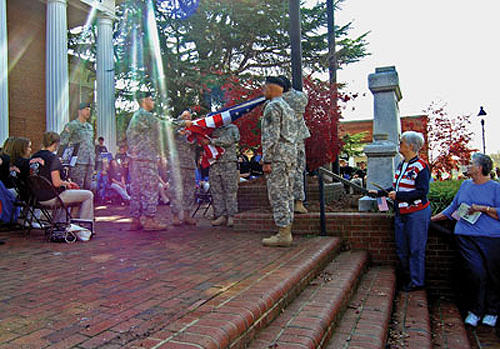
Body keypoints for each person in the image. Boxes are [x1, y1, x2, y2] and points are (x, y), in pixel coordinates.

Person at [431, 153, 500, 328]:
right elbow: (453, 208)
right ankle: (475, 311)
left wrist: (483, 208)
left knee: (492, 274)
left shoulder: (495, 188)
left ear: (480, 168)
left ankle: (492, 311)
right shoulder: (465, 185)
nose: (467, 166)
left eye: (471, 163)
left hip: (490, 238)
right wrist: (431, 219)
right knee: (476, 273)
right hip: (465, 237)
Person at [369, 131, 431, 291]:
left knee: (416, 248)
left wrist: (400, 196)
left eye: (402, 142)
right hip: (401, 213)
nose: (399, 144)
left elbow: (422, 191)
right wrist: (381, 193)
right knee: (402, 248)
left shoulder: (421, 167)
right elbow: (396, 187)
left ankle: (417, 281)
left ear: (411, 146)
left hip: (416, 213)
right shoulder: (401, 164)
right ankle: (406, 278)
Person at [260, 76, 297, 247]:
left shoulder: (272, 106)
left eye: (265, 87)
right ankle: (286, 230)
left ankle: (283, 233)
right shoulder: (288, 107)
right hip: (289, 156)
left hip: (277, 157)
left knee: (278, 194)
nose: (263, 90)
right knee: (288, 193)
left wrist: (266, 159)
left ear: (271, 88)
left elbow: (271, 136)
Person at [126, 92, 168, 231]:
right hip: (145, 159)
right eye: (151, 99)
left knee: (136, 190)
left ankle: (136, 220)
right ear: (144, 101)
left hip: (136, 159)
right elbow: (163, 126)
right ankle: (150, 220)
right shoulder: (145, 115)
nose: (153, 102)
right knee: (150, 188)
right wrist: (183, 123)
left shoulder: (136, 116)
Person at [31, 132, 94, 221]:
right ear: (56, 144)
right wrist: (67, 183)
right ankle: (84, 227)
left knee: (72, 195)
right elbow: (56, 183)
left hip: (37, 197)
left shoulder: (33, 157)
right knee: (88, 195)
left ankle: (65, 223)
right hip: (52, 197)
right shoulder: (53, 158)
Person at [279, 76, 310, 214]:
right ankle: (299, 202)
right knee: (298, 171)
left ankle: (288, 203)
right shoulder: (301, 97)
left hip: (284, 139)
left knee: (284, 172)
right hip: (298, 138)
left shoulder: (278, 100)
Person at [203, 123, 240, 227]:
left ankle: (231, 215)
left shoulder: (232, 127)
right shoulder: (210, 129)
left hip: (228, 163)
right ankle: (221, 216)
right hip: (214, 163)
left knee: (230, 190)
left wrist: (212, 141)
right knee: (216, 191)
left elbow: (230, 140)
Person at [168, 110, 198, 226]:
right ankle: (175, 216)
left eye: (189, 117)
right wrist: (182, 124)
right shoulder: (174, 126)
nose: (187, 118)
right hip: (177, 165)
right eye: (184, 116)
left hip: (189, 164)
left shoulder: (193, 130)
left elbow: (197, 144)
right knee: (176, 191)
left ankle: (186, 215)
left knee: (189, 191)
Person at [60, 102, 95, 190]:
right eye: (86, 110)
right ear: (79, 111)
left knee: (88, 188)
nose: (88, 112)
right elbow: (63, 141)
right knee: (78, 187)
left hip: (90, 161)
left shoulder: (89, 127)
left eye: (89, 110)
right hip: (78, 162)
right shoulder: (72, 125)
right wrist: (63, 160)